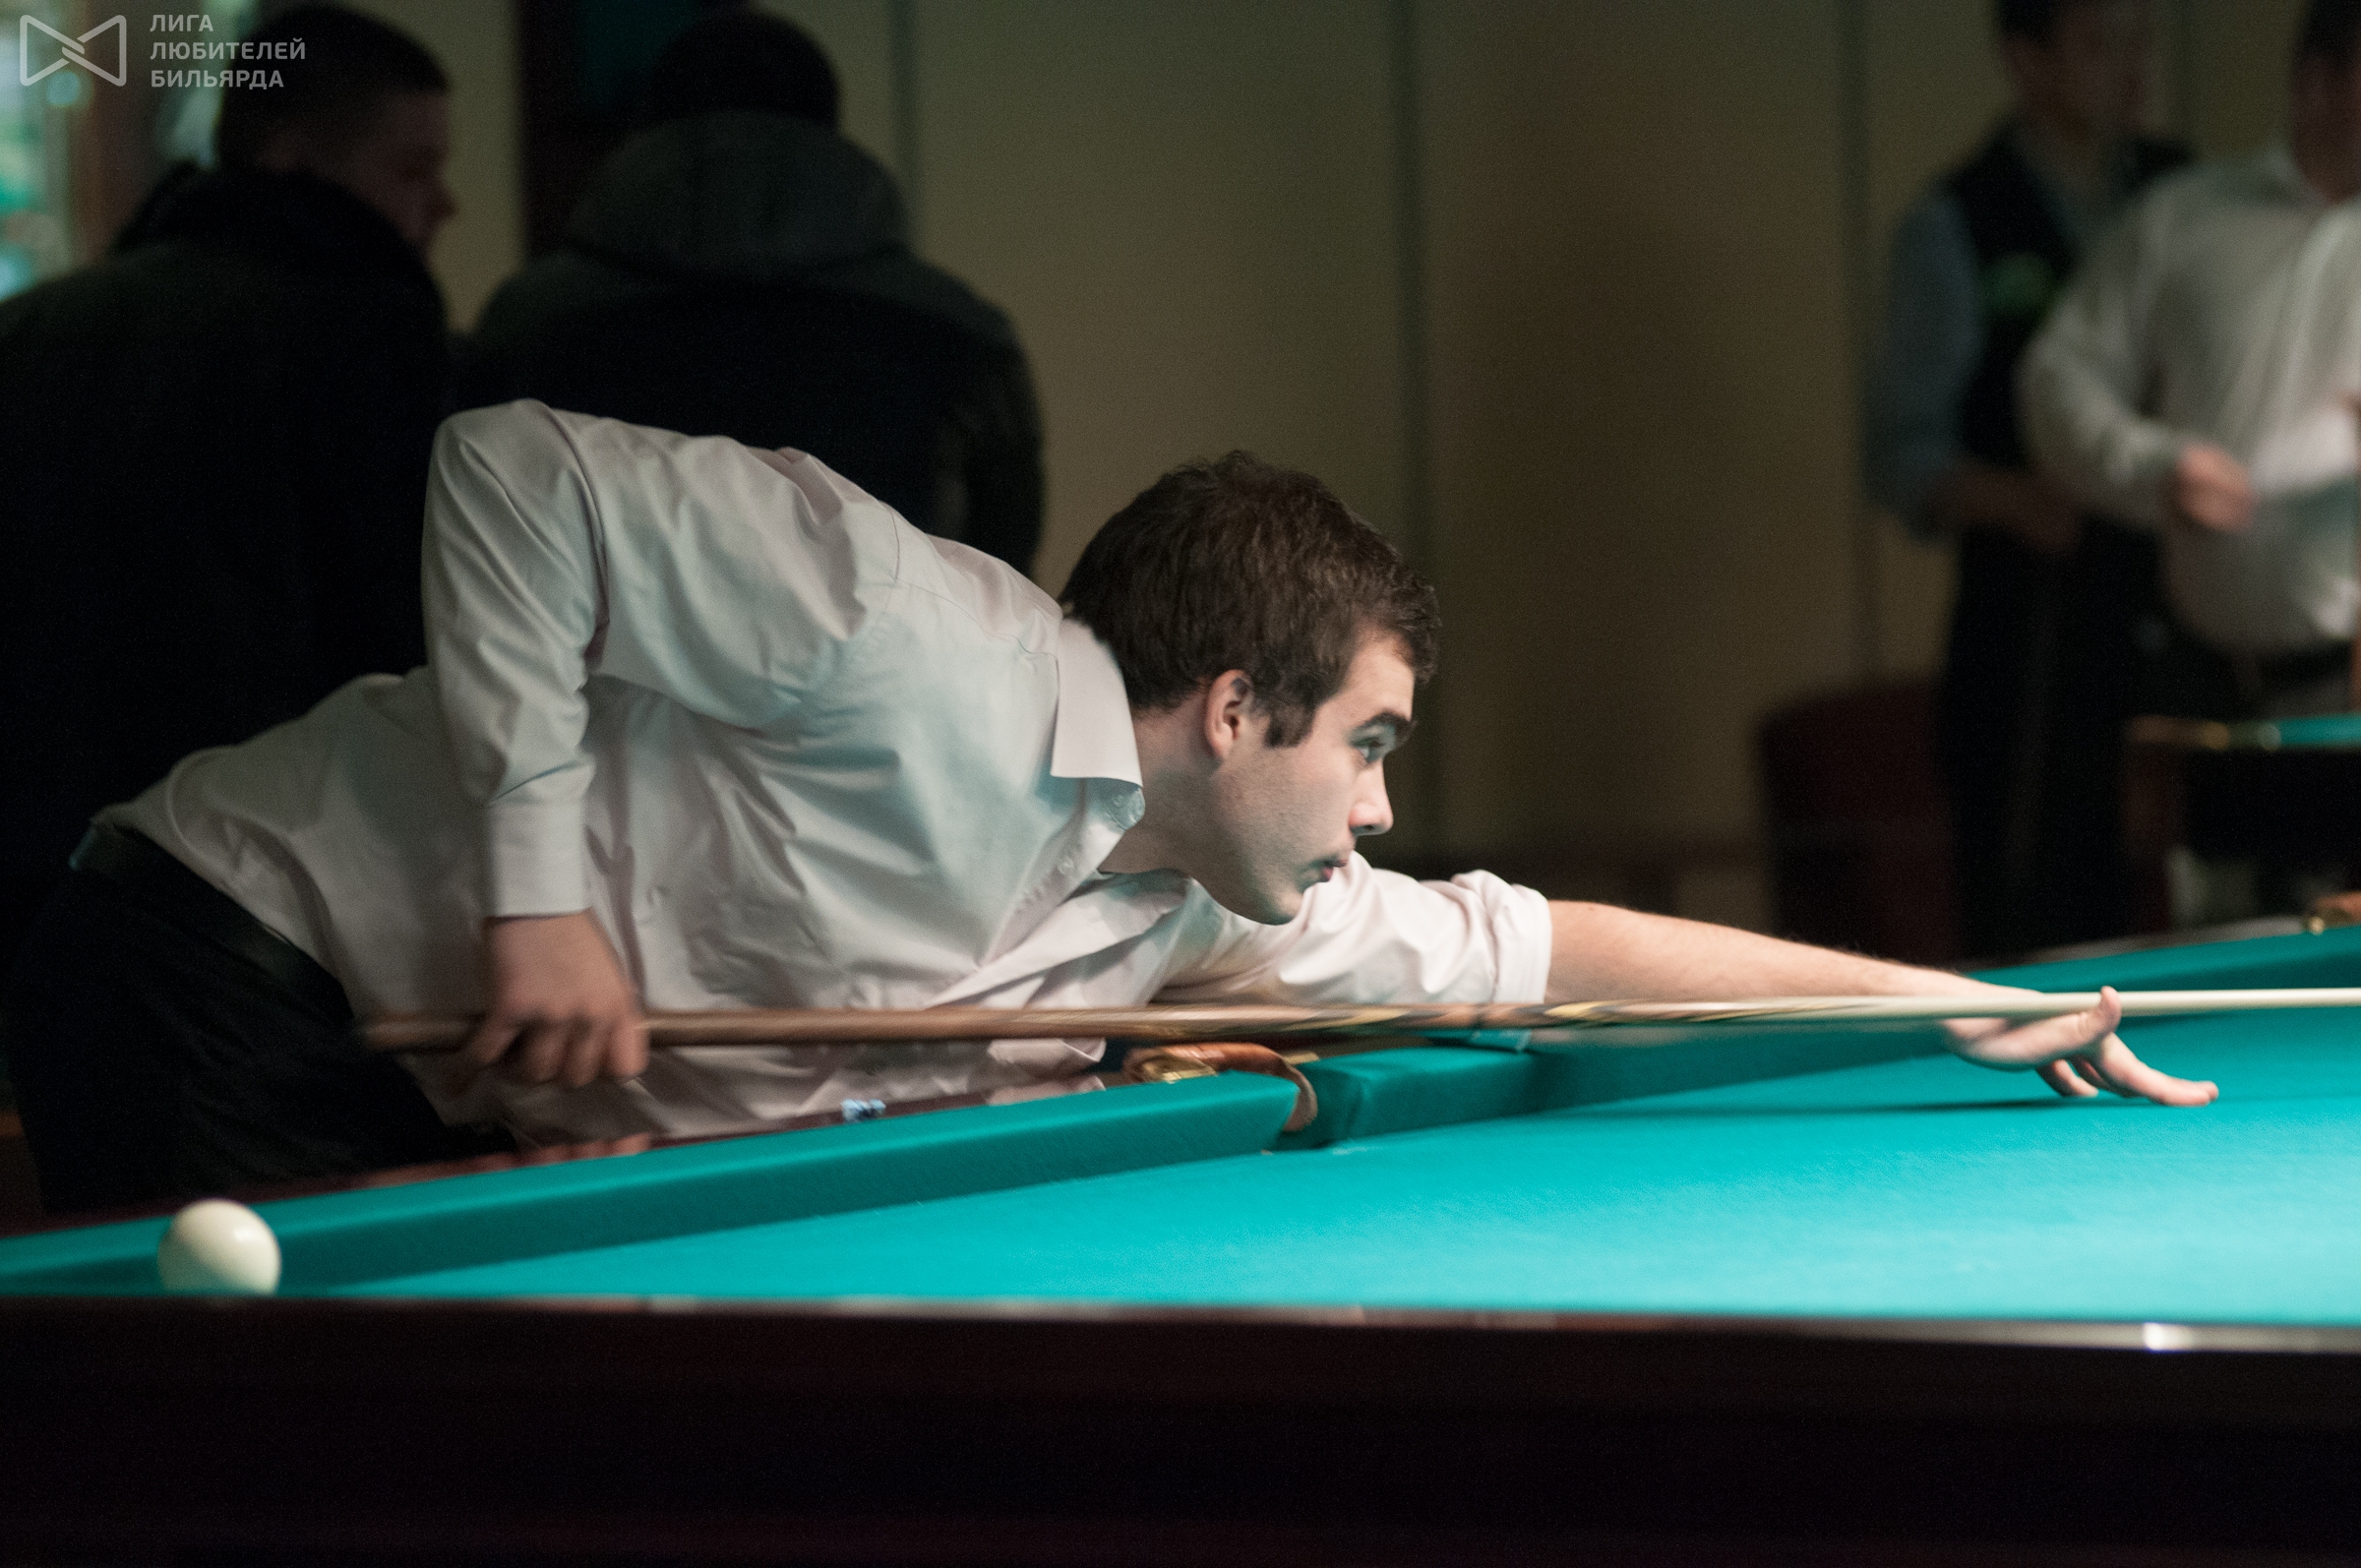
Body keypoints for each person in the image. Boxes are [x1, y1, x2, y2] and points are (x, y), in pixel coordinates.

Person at [0, 402, 2216, 1213]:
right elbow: (508, 471)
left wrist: (1940, 994)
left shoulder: (1201, 903)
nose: (1381, 811)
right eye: (1371, 743)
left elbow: (1544, 947)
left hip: (419, 1085)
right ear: (1235, 704)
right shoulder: (907, 639)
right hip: (210, 947)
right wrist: (534, 897)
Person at [0, 4, 457, 974]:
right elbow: (401, 627)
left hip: (29, 854)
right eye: (412, 169)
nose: (445, 204)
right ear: (294, 158)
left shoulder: (36, 326)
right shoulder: (364, 340)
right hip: (249, 877)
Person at [462, 10, 1043, 575]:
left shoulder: (530, 320)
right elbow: (1003, 563)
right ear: (830, 132)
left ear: (646, 131)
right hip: (890, 641)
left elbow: (483, 540)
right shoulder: (955, 327)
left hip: (595, 643)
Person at [1864, 0, 2189, 958]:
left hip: (2180, 622)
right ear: (2027, 59)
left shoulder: (2183, 191)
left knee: (2193, 913)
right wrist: (2014, 498)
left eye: (2140, 40)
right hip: (2034, 637)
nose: (2130, 66)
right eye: (2099, 43)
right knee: (2038, 923)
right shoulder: (1959, 219)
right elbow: (1901, 454)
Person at [2023, 0, 2361, 727]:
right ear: (2318, 84)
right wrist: (2156, 467)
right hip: (2191, 682)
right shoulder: (2183, 216)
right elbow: (2059, 377)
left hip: (2348, 683)